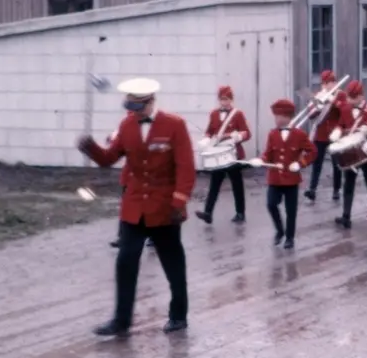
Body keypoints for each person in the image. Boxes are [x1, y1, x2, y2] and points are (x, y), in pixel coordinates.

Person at [77, 77, 195, 337]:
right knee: (125, 262)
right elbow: (109, 158)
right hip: (134, 208)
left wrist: (179, 201)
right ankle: (121, 320)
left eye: (139, 107)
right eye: (130, 107)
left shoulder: (175, 125)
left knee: (173, 264)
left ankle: (178, 315)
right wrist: (92, 149)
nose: (134, 112)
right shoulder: (127, 125)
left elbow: (186, 167)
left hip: (165, 208)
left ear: (152, 102)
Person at [263, 99, 317, 249]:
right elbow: (268, 154)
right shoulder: (272, 134)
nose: (275, 119)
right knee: (271, 204)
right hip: (275, 178)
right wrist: (261, 160)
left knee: (291, 210)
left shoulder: (299, 134)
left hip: (291, 180)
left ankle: (290, 237)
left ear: (286, 117)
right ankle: (279, 230)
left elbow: (313, 151)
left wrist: (300, 164)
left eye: (277, 116)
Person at [195, 85, 250, 224]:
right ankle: (208, 213)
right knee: (214, 183)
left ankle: (240, 212)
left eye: (226, 99)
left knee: (237, 184)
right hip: (217, 154)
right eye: (221, 99)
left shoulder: (237, 114)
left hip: (233, 154)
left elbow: (247, 133)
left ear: (231, 99)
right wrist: (206, 139)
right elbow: (209, 131)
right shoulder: (213, 113)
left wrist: (235, 136)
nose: (223, 102)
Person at [333, 81, 367, 228]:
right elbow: (341, 124)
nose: (350, 100)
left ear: (361, 96)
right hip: (350, 152)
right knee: (348, 183)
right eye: (350, 97)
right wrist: (337, 131)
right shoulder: (346, 109)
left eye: (354, 97)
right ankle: (346, 216)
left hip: (366, 151)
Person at [306, 70, 346, 202]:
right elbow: (310, 115)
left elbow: (344, 110)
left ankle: (336, 190)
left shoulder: (340, 95)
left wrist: (332, 101)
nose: (326, 86)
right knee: (317, 162)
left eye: (329, 83)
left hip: (334, 133)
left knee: (336, 164)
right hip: (321, 134)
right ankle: (312, 189)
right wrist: (316, 107)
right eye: (324, 83)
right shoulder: (320, 95)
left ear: (334, 82)